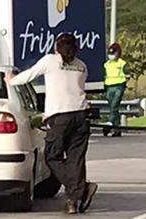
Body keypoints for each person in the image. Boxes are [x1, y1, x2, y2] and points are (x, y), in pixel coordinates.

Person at [8, 33, 98, 214]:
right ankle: (73, 200)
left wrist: (11, 80)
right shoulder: (81, 66)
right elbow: (72, 89)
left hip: (60, 118)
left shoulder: (50, 60)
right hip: (81, 115)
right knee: (76, 159)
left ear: (56, 47)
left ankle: (79, 190)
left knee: (51, 156)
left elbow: (28, 76)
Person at [103, 43, 128, 137]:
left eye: (113, 53)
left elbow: (126, 73)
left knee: (114, 105)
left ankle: (109, 123)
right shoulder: (106, 64)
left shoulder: (122, 63)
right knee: (113, 108)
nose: (111, 56)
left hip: (119, 86)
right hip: (109, 87)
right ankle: (117, 129)